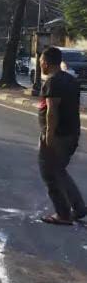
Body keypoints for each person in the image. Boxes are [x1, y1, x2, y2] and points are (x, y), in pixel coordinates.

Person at [38, 46, 85, 225]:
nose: (40, 64)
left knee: (49, 173)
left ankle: (63, 214)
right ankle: (79, 207)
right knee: (59, 171)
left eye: (42, 61)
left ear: (47, 63)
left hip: (57, 136)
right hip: (72, 133)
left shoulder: (52, 82)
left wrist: (49, 135)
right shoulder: (70, 80)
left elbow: (52, 111)